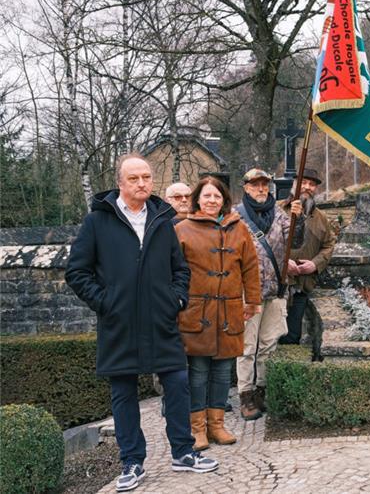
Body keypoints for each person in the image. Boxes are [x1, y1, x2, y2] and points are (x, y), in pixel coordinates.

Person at [65, 153, 217, 492]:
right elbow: (76, 272)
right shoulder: (97, 222)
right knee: (123, 393)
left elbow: (180, 269)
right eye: (134, 178)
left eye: (146, 177)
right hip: (119, 325)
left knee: (178, 383)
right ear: (120, 183)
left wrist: (176, 298)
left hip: (160, 321)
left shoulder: (162, 220)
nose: (142, 183)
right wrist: (106, 303)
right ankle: (132, 462)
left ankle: (183, 452)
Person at [174, 176, 262, 451]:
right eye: (207, 196)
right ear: (197, 199)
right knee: (198, 372)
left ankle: (217, 425)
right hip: (196, 311)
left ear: (224, 200)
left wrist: (253, 301)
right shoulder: (182, 229)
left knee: (224, 372)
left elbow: (250, 267)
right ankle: (197, 428)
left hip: (230, 309)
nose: (212, 201)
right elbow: (171, 270)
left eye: (217, 196)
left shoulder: (239, 229)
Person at [234, 168, 303, 420]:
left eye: (264, 185)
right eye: (255, 185)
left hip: (274, 291)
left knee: (268, 345)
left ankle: (262, 392)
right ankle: (245, 396)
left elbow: (294, 241)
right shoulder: (235, 216)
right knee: (246, 348)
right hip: (247, 294)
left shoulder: (279, 215)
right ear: (246, 187)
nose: (261, 189)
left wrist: (299, 219)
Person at [278, 168, 337, 345]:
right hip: (277, 285)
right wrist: (283, 262)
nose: (307, 187)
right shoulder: (277, 209)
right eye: (303, 182)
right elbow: (264, 243)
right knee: (269, 337)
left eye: (311, 184)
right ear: (294, 184)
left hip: (302, 286)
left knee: (292, 336)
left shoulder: (321, 218)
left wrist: (314, 264)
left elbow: (329, 245)